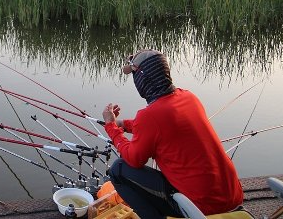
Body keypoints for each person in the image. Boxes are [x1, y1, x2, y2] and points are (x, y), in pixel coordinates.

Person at [101, 49, 243, 219]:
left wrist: (111, 127)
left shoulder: (150, 116)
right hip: (232, 196)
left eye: (134, 76)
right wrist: (122, 124)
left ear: (143, 79)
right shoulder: (189, 97)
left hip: (201, 207)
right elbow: (160, 125)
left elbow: (134, 158)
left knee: (119, 169)